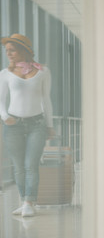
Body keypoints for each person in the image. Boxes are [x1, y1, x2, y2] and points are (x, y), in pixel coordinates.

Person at [0, 34, 55, 217]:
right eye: (6, 50)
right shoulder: (5, 74)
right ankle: (25, 201)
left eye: (12, 50)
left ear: (23, 50)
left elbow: (46, 99)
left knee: (30, 164)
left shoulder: (43, 72)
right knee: (18, 166)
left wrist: (50, 125)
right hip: (13, 125)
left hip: (37, 124)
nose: (8, 54)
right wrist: (5, 116)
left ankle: (29, 202)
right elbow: (0, 100)